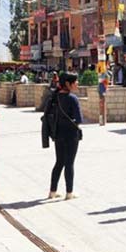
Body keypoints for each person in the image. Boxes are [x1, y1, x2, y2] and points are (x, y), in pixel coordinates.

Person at [48, 72, 83, 200]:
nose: (77, 84)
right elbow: (79, 119)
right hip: (71, 134)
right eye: (75, 81)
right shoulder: (72, 98)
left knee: (59, 162)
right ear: (68, 84)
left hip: (58, 133)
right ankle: (69, 192)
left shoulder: (55, 97)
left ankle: (52, 191)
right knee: (69, 163)